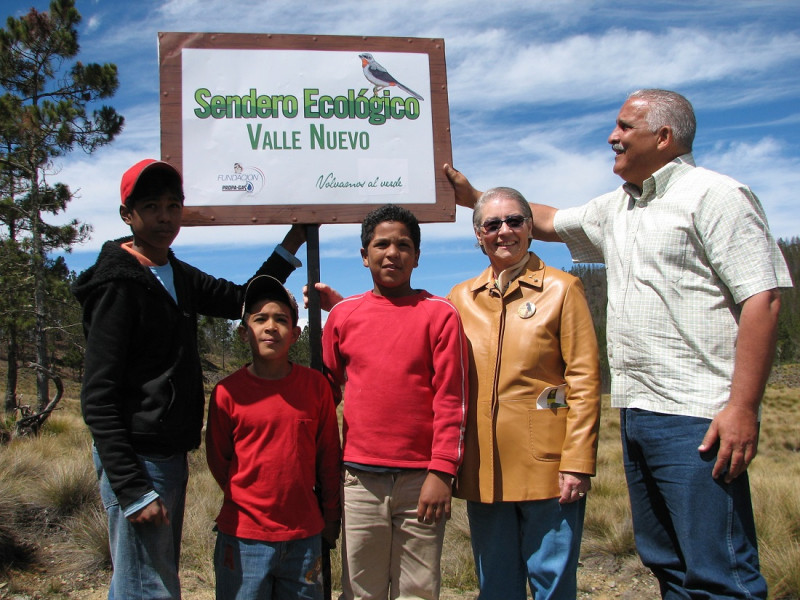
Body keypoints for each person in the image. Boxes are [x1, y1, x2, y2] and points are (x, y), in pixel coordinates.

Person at [444, 88, 793, 599]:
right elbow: (544, 220)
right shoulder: (617, 209)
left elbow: (762, 298)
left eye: (625, 127)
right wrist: (476, 197)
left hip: (699, 415)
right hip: (637, 412)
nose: (613, 136)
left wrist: (742, 406)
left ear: (665, 136)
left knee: (721, 574)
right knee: (668, 565)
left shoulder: (716, 196)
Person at [72, 158, 306, 600]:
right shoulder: (117, 286)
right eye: (151, 206)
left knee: (152, 575)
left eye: (172, 205)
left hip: (167, 454)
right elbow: (97, 397)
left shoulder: (173, 273)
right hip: (139, 458)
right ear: (128, 215)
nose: (164, 217)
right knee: (148, 585)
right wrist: (132, 488)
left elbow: (241, 298)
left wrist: (291, 242)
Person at [447, 186, 601, 600]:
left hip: (550, 470)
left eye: (514, 221)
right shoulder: (459, 298)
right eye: (492, 224)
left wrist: (578, 462)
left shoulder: (563, 289)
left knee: (552, 586)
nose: (504, 231)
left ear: (530, 228)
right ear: (478, 234)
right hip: (483, 470)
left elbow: (584, 380)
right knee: (496, 587)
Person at [321, 204, 468, 600]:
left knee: (417, 590)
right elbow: (324, 395)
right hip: (358, 481)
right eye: (381, 244)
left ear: (417, 256)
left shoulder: (440, 316)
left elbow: (452, 400)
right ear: (364, 254)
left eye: (403, 245)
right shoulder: (342, 316)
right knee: (359, 588)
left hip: (421, 481)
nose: (392, 253)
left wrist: (442, 472)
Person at [205, 275, 341, 600]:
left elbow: (328, 458)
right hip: (243, 537)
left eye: (281, 319)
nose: (270, 327)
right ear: (243, 332)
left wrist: (331, 517)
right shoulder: (227, 393)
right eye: (260, 319)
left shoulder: (315, 387)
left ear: (295, 334)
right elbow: (218, 459)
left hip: (305, 536)